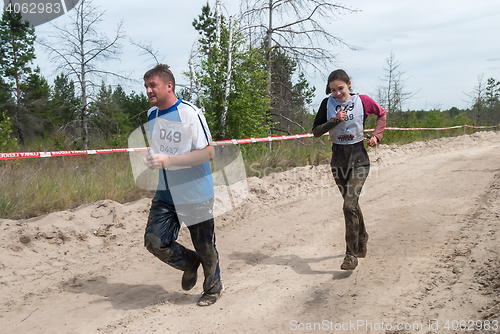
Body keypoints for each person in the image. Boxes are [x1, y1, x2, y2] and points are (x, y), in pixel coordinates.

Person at [142, 64, 223, 306]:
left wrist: (169, 160)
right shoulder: (152, 115)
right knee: (154, 242)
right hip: (166, 193)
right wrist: (152, 158)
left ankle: (212, 288)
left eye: (152, 85)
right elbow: (161, 150)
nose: (148, 90)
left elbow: (209, 153)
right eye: (146, 86)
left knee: (205, 246)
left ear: (169, 86)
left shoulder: (190, 113)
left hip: (195, 192)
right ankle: (189, 263)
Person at [312, 69, 386, 270]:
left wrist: (376, 136)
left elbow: (382, 114)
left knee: (348, 206)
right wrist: (335, 120)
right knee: (351, 205)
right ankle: (362, 238)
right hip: (338, 161)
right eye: (333, 90)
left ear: (349, 84)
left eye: (340, 88)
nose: (337, 93)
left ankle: (350, 255)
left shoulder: (362, 101)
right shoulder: (326, 104)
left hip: (359, 160)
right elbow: (316, 132)